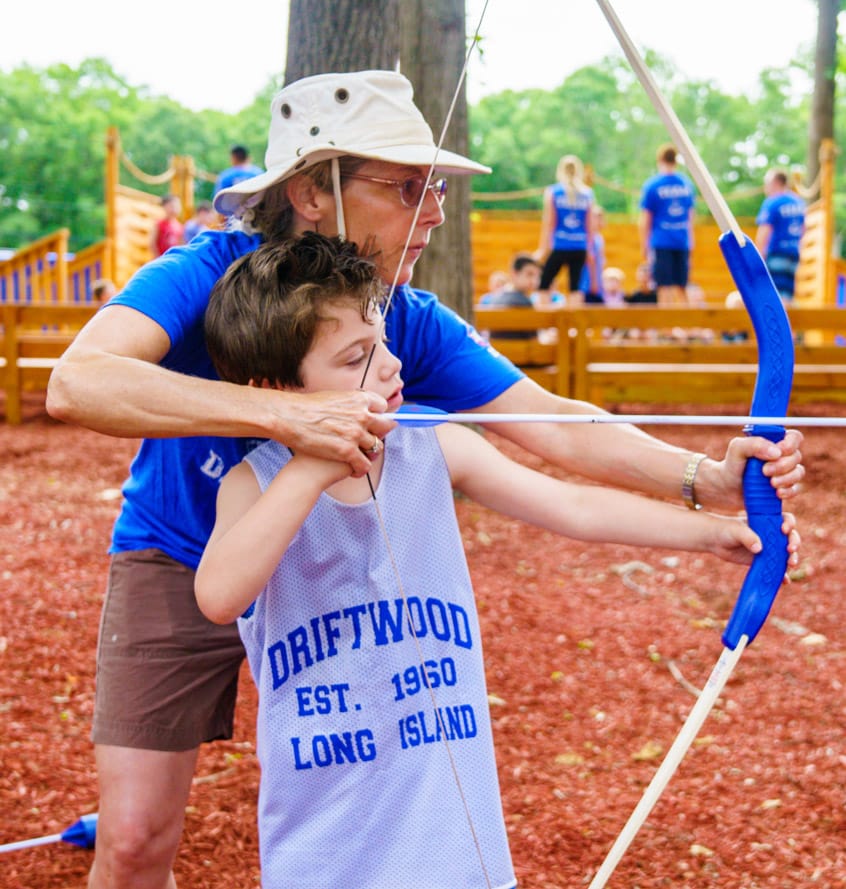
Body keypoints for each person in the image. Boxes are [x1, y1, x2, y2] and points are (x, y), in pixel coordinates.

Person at [45, 70, 804, 889]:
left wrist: (704, 480)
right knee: (134, 837)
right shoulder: (208, 272)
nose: (436, 211)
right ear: (311, 191)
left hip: (333, 573)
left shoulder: (390, 315)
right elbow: (78, 382)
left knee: (379, 783)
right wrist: (291, 419)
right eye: (409, 187)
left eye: (435, 186)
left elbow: (551, 420)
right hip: (183, 547)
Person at [196, 232, 797, 888]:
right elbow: (220, 595)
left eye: (384, 342)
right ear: (274, 390)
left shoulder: (433, 445)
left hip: (455, 845)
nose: (391, 365)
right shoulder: (254, 485)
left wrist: (713, 533)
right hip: (326, 853)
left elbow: (572, 506)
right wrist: (312, 463)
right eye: (357, 358)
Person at [534, 154, 596, 305]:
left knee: (544, 284)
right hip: (579, 246)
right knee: (575, 286)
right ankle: (575, 319)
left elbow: (549, 223)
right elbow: (590, 226)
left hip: (560, 245)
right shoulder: (587, 193)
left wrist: (543, 249)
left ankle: (544, 317)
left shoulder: (554, 192)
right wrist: (589, 249)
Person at [639, 143, 696, 306]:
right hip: (682, 241)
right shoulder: (686, 184)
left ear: (660, 160)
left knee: (664, 286)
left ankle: (667, 321)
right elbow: (690, 217)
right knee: (682, 285)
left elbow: (645, 219)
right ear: (675, 161)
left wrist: (644, 244)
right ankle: (686, 320)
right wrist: (691, 241)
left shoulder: (652, 185)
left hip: (661, 242)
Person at [755, 167, 806, 304]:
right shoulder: (798, 202)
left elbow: (764, 231)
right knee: (787, 294)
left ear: (776, 183)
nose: (765, 188)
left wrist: (758, 257)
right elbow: (803, 229)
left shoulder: (773, 202)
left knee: (775, 295)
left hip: (777, 254)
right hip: (794, 254)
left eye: (767, 183)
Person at [478, 252, 541, 340]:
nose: (534, 281)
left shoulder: (495, 297)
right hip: (520, 348)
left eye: (537, 276)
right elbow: (534, 339)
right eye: (529, 274)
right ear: (514, 273)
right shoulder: (524, 302)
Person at [579, 204, 606, 302]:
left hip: (597, 285)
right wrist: (594, 283)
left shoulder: (598, 238)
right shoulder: (588, 238)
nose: (599, 220)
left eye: (600, 217)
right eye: (596, 217)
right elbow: (590, 261)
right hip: (587, 285)